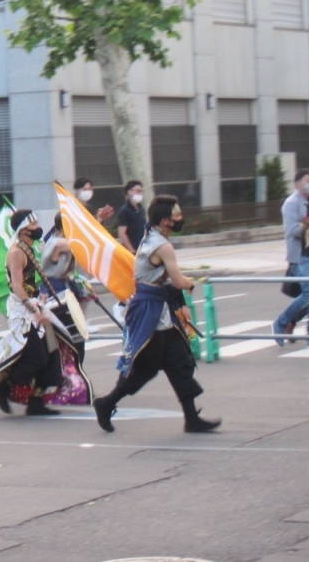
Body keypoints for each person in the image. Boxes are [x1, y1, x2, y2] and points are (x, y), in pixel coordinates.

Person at [94, 195, 221, 433]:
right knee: (145, 367)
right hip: (149, 312)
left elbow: (166, 281)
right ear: (165, 221)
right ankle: (106, 403)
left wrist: (180, 303)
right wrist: (190, 284)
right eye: (177, 215)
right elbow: (177, 280)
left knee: (180, 362)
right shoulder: (162, 245)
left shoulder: (153, 235)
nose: (181, 218)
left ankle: (191, 418)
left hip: (161, 309)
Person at [0, 210, 91, 416]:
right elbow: (17, 285)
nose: (37, 227)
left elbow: (31, 281)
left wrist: (39, 297)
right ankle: (2, 383)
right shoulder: (17, 252)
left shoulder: (29, 248)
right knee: (37, 358)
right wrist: (34, 309)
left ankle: (36, 403)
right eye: (33, 224)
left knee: (53, 357)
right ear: (22, 229)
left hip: (35, 305)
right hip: (23, 311)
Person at [274, 169, 309, 346]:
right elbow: (292, 230)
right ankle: (281, 322)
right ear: (297, 184)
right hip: (302, 256)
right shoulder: (291, 203)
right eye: (308, 180)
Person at [39, 216, 92, 362]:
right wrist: (95, 224)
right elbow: (81, 244)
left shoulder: (62, 240)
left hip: (65, 289)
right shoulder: (57, 243)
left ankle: (73, 367)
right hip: (55, 291)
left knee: (75, 338)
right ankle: (66, 368)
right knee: (65, 337)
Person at [117, 180, 147, 252]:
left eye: (141, 191)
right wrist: (132, 250)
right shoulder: (124, 210)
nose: (140, 193)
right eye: (138, 191)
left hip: (143, 248)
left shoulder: (141, 209)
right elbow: (122, 233)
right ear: (129, 192)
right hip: (133, 249)